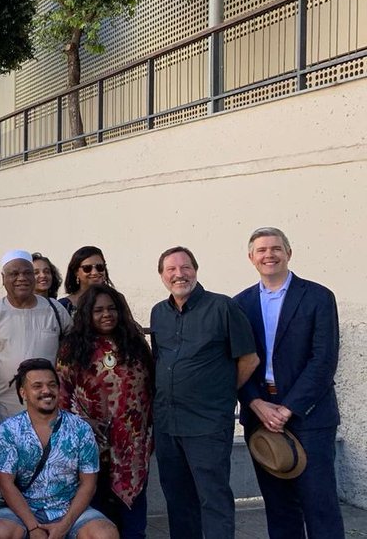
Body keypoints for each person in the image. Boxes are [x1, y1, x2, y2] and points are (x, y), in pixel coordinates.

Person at [233, 227, 343, 539]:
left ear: (288, 253)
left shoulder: (319, 297)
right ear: (251, 258)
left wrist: (288, 408)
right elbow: (236, 362)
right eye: (262, 250)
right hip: (260, 415)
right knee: (279, 508)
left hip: (310, 416)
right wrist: (255, 402)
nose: (269, 255)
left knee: (320, 506)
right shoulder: (239, 304)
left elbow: (323, 360)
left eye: (276, 248)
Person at [150, 246, 258, 539]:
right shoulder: (159, 312)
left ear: (195, 270)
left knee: (213, 499)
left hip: (207, 424)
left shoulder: (223, 307)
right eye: (171, 269)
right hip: (167, 423)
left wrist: (220, 391)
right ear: (162, 276)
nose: (179, 274)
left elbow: (249, 359)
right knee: (178, 499)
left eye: (185, 267)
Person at [56, 285, 153, 538]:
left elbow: (151, 389)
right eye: (98, 310)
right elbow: (62, 394)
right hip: (90, 444)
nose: (106, 314)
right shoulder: (72, 348)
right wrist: (81, 422)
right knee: (98, 514)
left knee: (134, 519)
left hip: (132, 445)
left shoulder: (136, 344)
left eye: (111, 308)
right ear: (87, 314)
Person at [0, 358, 117, 539]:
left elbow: (88, 483)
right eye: (37, 386)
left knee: (105, 535)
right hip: (24, 509)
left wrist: (64, 525)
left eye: (52, 385)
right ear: (23, 392)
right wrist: (33, 527)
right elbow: (5, 483)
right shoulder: (10, 429)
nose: (46, 391)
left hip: (69, 509)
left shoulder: (80, 429)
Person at [0, 250, 70, 443]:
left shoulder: (54, 309)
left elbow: (72, 354)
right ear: (3, 278)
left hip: (52, 409)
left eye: (27, 273)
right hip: (8, 413)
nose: (21, 278)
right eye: (14, 274)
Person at [61, 247, 112, 316]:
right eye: (87, 268)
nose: (95, 272)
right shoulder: (64, 306)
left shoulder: (116, 299)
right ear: (76, 272)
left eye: (100, 267)